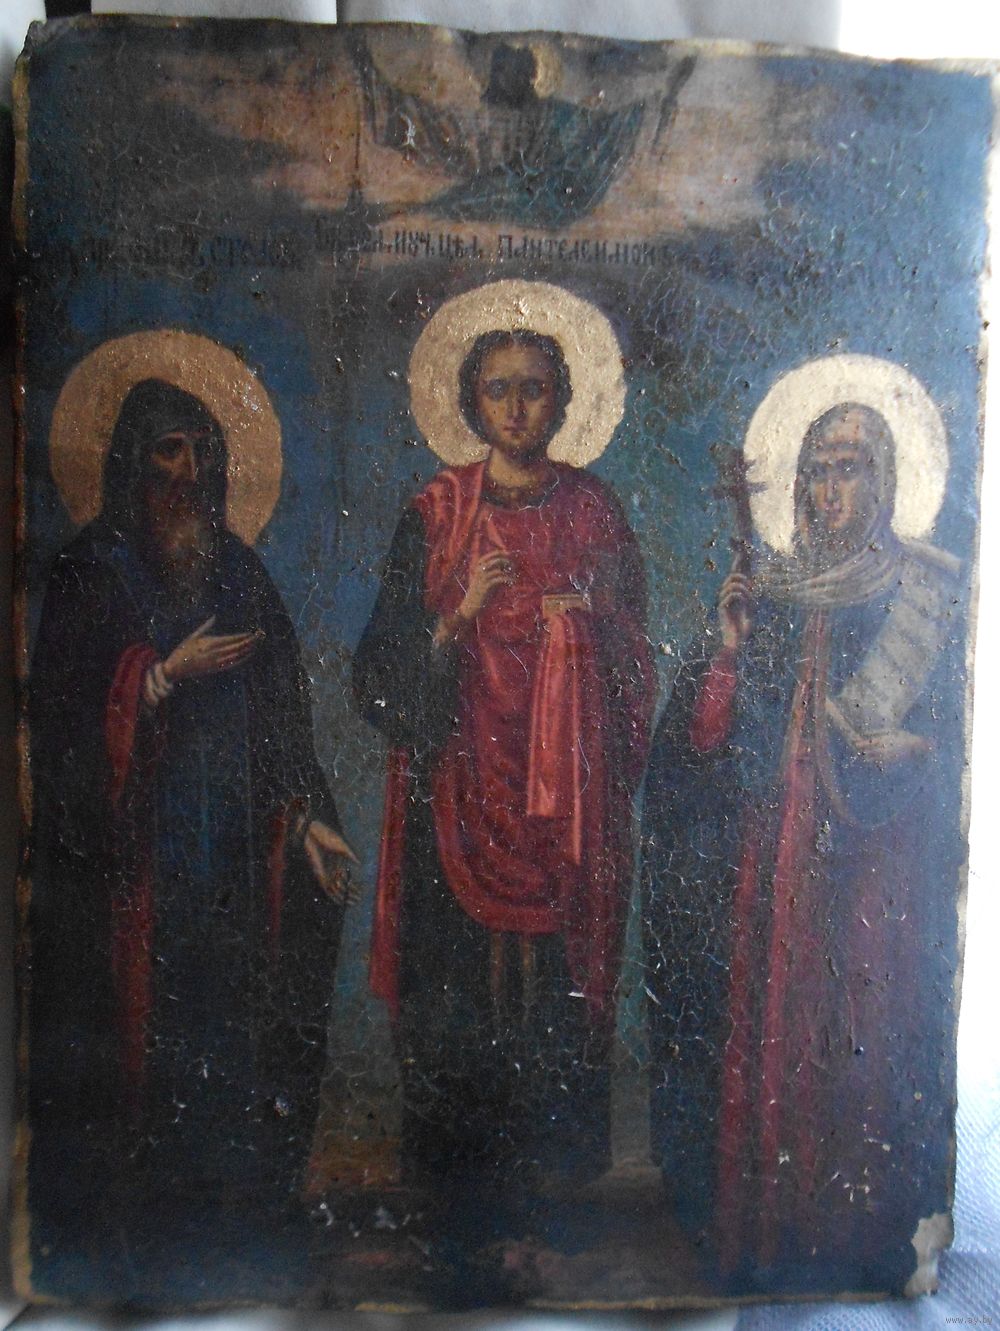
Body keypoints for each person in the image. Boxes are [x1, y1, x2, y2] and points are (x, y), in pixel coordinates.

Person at [642, 402, 963, 1294]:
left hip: (873, 867)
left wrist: (913, 751)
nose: (829, 488)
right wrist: (729, 648)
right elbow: (698, 748)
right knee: (776, 1027)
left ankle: (859, 1234)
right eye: (817, 469)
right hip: (780, 862)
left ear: (886, 478)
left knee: (862, 1029)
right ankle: (771, 1228)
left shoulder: (923, 594)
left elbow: (954, 747)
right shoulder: (777, 591)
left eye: (849, 467)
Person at [28, 378, 355, 1228]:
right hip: (135, 866)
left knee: (232, 1016)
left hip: (235, 863)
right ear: (130, 462)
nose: (187, 471)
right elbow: (59, 726)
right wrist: (161, 675)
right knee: (141, 1025)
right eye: (168, 451)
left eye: (202, 451)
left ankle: (236, 1191)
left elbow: (282, 718)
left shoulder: (240, 572)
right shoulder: (87, 572)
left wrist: (307, 820)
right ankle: (130, 1202)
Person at [353, 329, 654, 1204]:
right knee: (456, 991)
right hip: (457, 800)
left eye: (534, 388)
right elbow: (376, 676)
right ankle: (456, 1189)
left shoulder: (595, 513)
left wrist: (584, 627)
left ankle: (556, 1191)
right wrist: (457, 616)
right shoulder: (438, 514)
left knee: (554, 995)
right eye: (498, 389)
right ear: (470, 403)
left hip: (563, 815)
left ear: (562, 401)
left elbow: (637, 660)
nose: (517, 407)